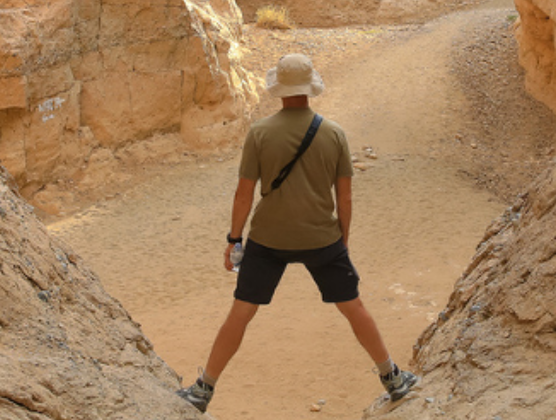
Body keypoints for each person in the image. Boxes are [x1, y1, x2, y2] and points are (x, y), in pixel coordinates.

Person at [176, 53, 419, 413]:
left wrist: (234, 239)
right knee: (353, 307)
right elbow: (345, 196)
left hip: (268, 239)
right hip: (322, 238)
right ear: (309, 89)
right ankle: (392, 378)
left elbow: (244, 193)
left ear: (280, 90)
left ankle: (204, 388)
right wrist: (343, 241)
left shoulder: (259, 133)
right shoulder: (334, 134)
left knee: (241, 312)